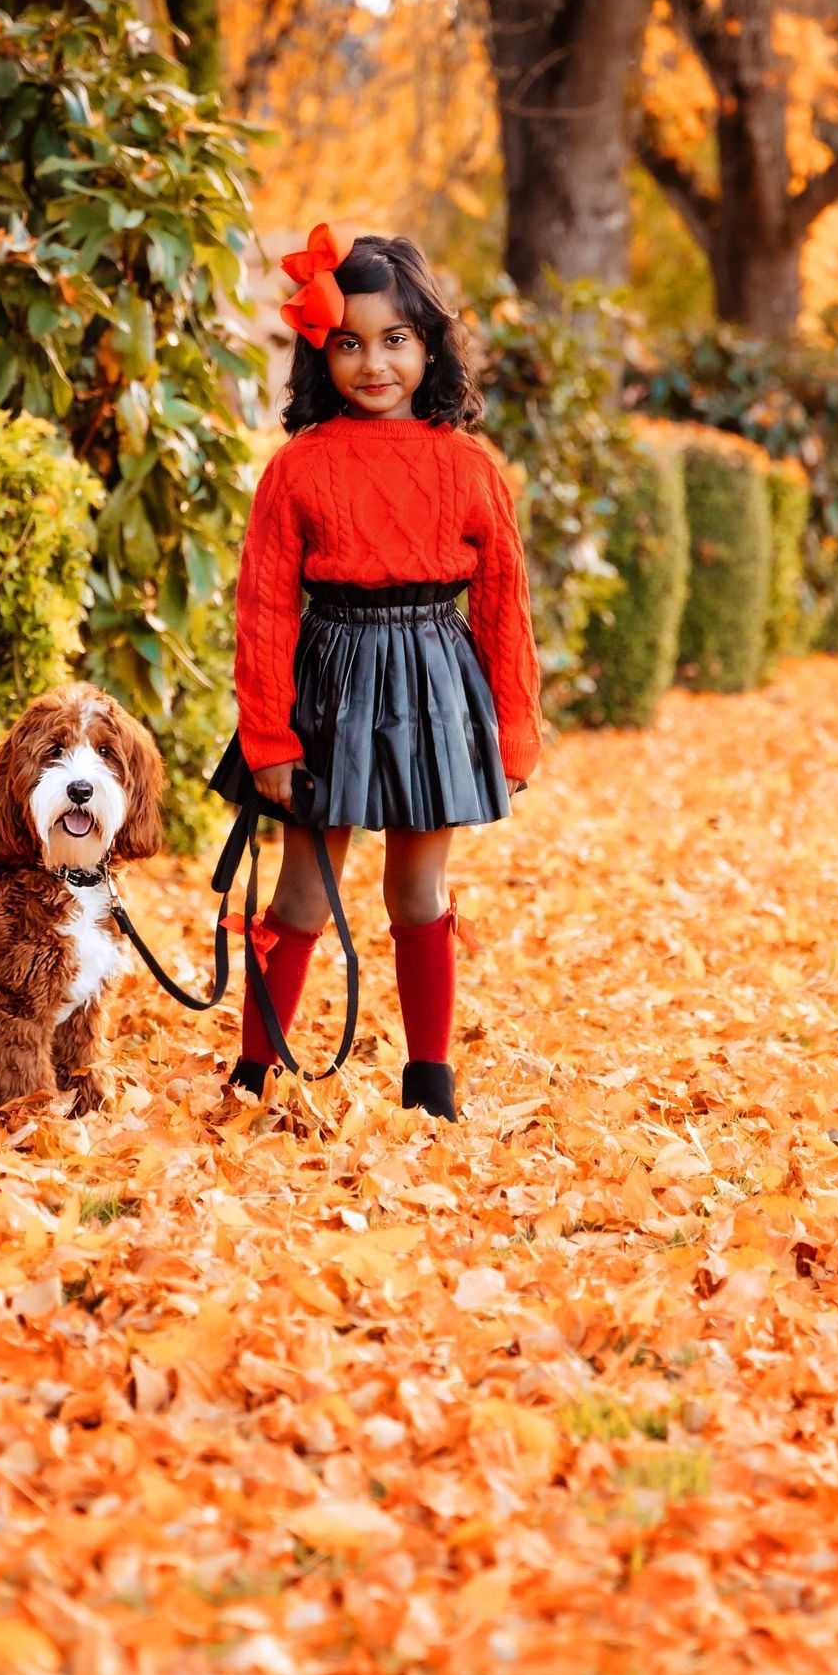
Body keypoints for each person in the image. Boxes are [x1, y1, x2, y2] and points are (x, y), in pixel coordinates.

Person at [210, 227, 543, 1120]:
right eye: (349, 341)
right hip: (330, 681)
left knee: (418, 889)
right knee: (302, 892)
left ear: (429, 344)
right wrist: (268, 734)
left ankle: (430, 1084)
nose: (374, 362)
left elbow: (505, 602)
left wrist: (514, 724)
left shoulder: (471, 466)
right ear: (324, 352)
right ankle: (255, 1073)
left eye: (394, 338)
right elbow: (265, 609)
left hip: (436, 684)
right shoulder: (297, 469)